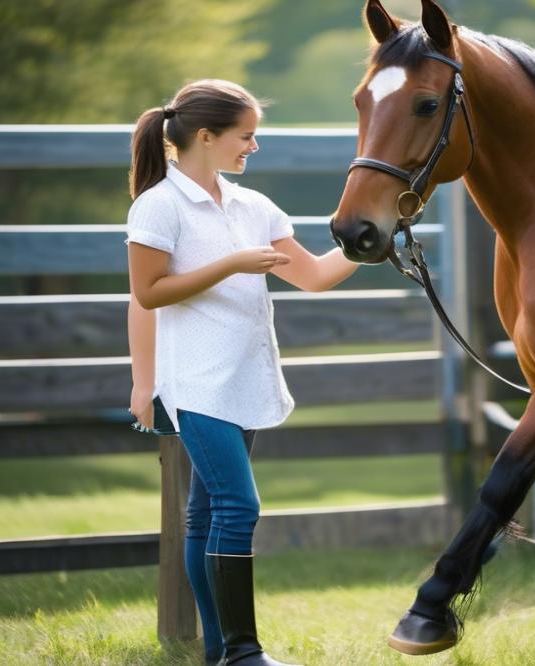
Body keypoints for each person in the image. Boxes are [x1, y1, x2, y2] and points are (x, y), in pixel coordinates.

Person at [126, 79, 358, 666]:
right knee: (239, 507)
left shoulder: (255, 207)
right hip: (196, 385)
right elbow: (148, 293)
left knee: (205, 514)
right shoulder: (158, 205)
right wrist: (231, 263)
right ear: (206, 137)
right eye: (246, 136)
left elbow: (312, 276)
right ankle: (243, 652)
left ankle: (217, 653)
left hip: (245, 378)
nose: (253, 146)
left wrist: (374, 238)